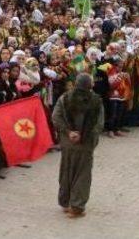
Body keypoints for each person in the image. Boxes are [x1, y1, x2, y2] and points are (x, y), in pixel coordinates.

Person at [52, 73, 104, 218]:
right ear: (90, 85)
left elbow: (56, 117)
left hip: (68, 143)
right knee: (82, 175)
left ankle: (65, 202)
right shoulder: (96, 101)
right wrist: (85, 135)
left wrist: (69, 132)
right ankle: (76, 207)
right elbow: (99, 124)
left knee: (66, 172)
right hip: (85, 144)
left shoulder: (65, 98)